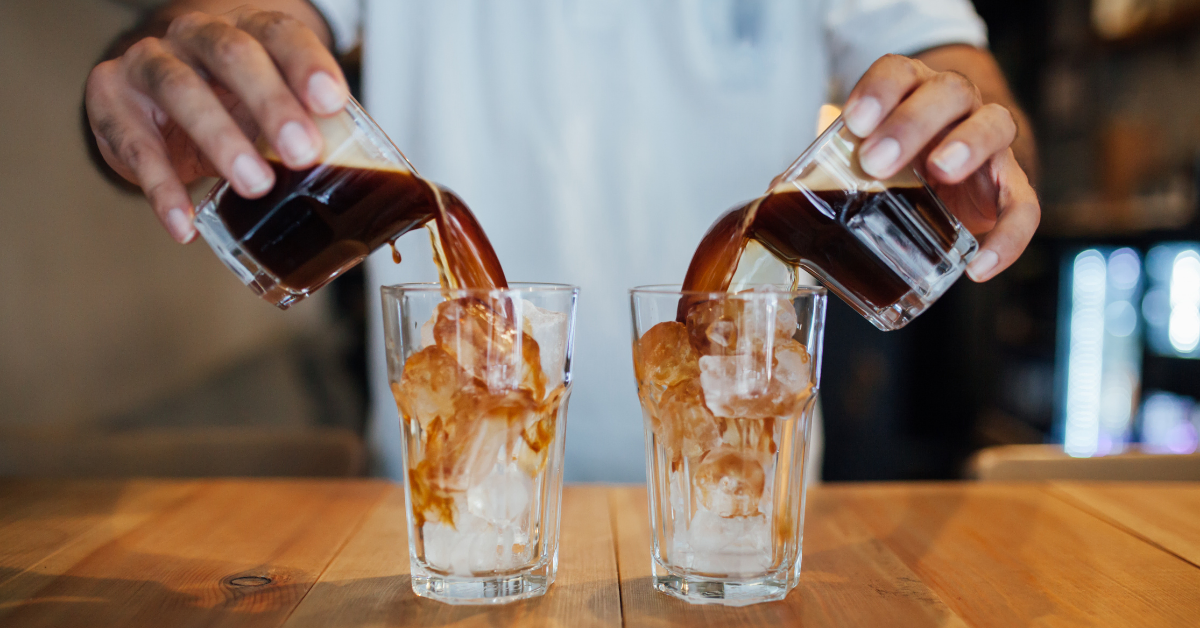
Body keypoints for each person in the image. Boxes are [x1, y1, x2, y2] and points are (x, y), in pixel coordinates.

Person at [84, 0, 1040, 482]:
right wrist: (183, 61)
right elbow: (221, 25)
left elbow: (961, 68)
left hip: (744, 510)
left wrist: (974, 134)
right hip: (433, 511)